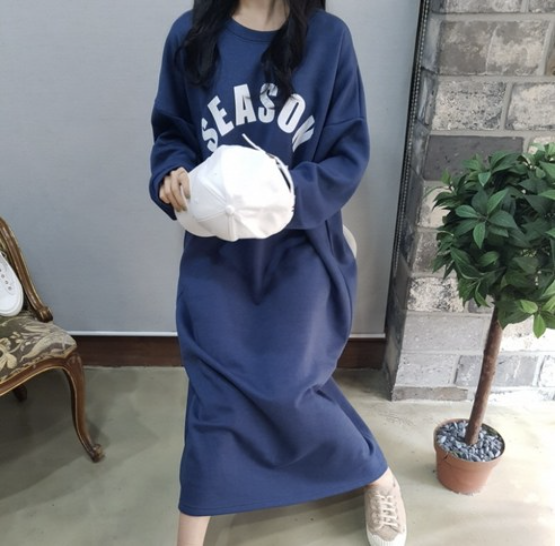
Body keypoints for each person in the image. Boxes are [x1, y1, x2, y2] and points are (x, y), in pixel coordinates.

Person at [149, 1, 407, 545]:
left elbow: (347, 155)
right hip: (217, 255)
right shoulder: (189, 35)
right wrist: (171, 172)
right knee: (215, 392)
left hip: (302, 250)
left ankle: (376, 474)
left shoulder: (329, 40)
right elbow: (172, 131)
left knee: (292, 385)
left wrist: (284, 194)